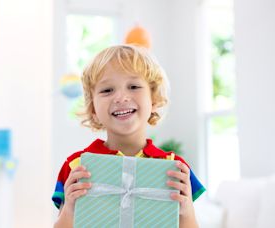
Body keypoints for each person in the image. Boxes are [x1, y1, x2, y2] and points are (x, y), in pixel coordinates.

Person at [52, 44, 205, 228]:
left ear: (154, 100)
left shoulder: (174, 167)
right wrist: (69, 209)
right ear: (93, 109)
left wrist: (186, 210)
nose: (121, 97)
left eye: (133, 86)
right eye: (107, 90)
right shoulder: (76, 165)